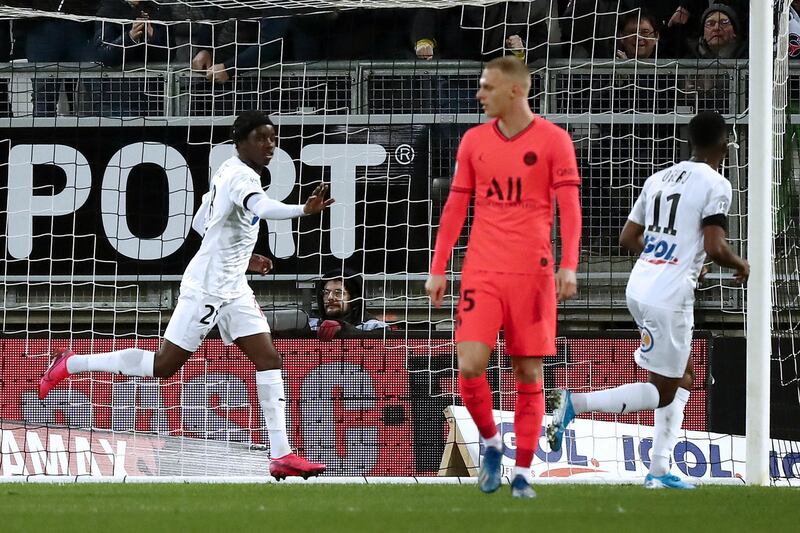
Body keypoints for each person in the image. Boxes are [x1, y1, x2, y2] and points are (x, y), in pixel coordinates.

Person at [39, 110, 334, 480]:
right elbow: (262, 208)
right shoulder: (242, 177)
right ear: (240, 140)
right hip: (207, 288)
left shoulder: (226, 170)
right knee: (163, 366)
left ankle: (282, 455)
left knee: (269, 359)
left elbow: (200, 222)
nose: (270, 145)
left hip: (233, 288)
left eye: (273, 138)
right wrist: (302, 210)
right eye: (262, 138)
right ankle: (72, 364)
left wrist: (242, 259)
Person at [546, 111, 749, 490]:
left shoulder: (658, 178)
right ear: (724, 145)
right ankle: (576, 404)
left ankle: (659, 469)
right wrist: (741, 263)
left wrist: (672, 257)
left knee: (685, 374)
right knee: (663, 390)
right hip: (669, 296)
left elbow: (628, 238)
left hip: (642, 284)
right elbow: (714, 245)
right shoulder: (717, 183)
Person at [426, 56, 582, 499]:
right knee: (469, 365)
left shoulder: (554, 141)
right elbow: (455, 207)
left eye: (487, 87)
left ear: (516, 90)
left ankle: (523, 473)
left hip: (532, 275)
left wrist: (568, 263)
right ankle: (492, 443)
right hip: (481, 270)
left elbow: (569, 208)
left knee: (528, 372)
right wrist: (438, 268)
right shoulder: (474, 141)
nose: (479, 95)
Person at [310, 269, 389, 341]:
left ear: (354, 299)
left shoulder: (373, 326)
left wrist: (344, 327)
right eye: (326, 293)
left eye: (338, 293)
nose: (330, 297)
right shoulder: (312, 325)